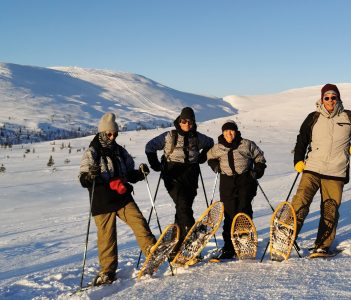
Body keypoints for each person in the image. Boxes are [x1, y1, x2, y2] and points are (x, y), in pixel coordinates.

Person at [292, 84, 351, 255]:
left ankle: (322, 245)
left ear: (338, 98)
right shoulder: (313, 117)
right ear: (322, 99)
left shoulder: (349, 117)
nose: (330, 100)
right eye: (327, 97)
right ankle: (288, 237)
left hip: (336, 172)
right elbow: (302, 139)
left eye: (334, 97)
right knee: (300, 203)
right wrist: (298, 160)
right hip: (312, 168)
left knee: (330, 209)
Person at [79, 112, 156, 286]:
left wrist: (140, 173)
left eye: (115, 134)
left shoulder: (120, 151)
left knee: (139, 221)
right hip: (102, 199)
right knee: (107, 238)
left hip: (121, 196)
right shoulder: (92, 152)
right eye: (109, 134)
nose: (112, 137)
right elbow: (83, 178)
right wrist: (90, 176)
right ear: (102, 132)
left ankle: (152, 251)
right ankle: (107, 272)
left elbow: (129, 173)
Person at [145, 107, 214, 257]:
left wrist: (202, 157)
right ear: (179, 120)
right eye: (184, 121)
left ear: (193, 122)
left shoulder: (197, 137)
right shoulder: (170, 135)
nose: (186, 124)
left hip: (191, 175)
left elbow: (210, 142)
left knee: (182, 208)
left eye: (190, 121)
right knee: (183, 204)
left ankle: (176, 246)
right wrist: (155, 165)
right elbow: (150, 146)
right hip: (172, 175)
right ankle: (192, 237)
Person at [207, 120, 267, 259]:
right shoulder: (218, 147)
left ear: (236, 131)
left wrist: (257, 170)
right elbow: (209, 157)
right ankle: (229, 247)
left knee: (243, 210)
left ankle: (245, 242)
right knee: (229, 213)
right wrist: (214, 164)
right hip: (227, 181)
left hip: (245, 179)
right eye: (226, 131)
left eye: (231, 130)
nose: (229, 133)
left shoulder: (246, 144)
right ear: (222, 132)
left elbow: (260, 157)